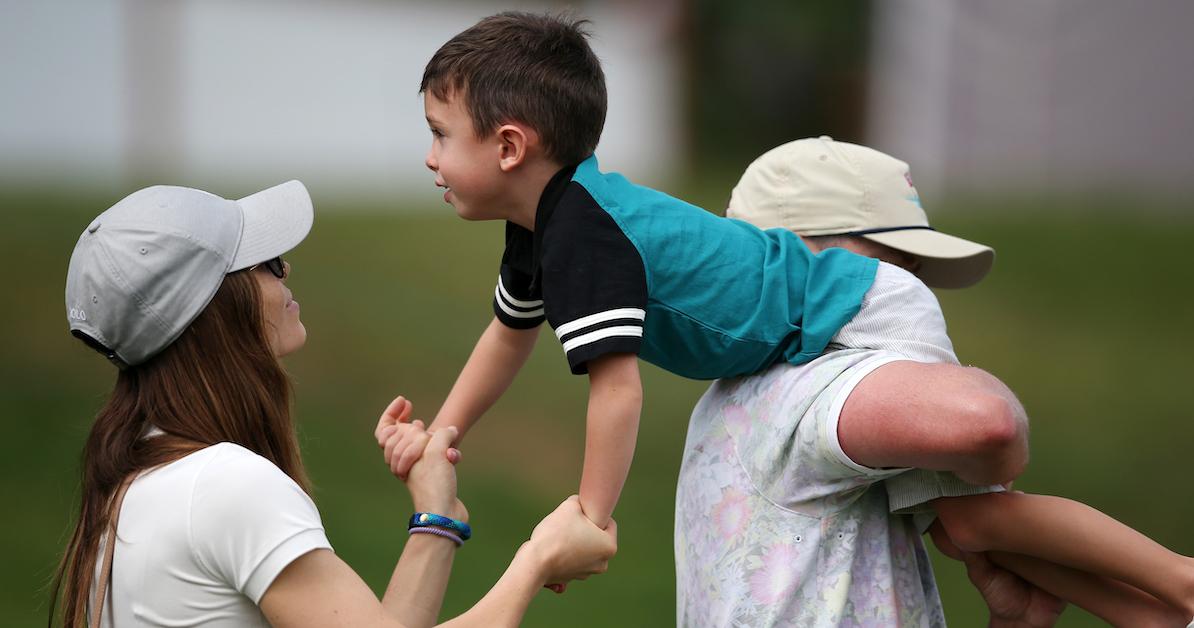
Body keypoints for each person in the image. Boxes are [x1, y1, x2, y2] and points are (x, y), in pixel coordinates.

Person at [392, 11, 889, 536]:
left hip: (857, 313)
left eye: (441, 135)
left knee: (966, 512)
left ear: (510, 148)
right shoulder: (539, 223)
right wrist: (442, 434)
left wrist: (590, 517)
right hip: (814, 328)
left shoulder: (585, 232)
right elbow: (508, 335)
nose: (430, 158)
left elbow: (617, 391)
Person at [675, 136, 1194, 626]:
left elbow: (971, 526)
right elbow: (985, 424)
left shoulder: (776, 392)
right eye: (893, 262)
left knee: (967, 524)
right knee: (974, 518)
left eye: (915, 269)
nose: (909, 287)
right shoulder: (803, 384)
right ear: (789, 255)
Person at [51, 181, 617, 628]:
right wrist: (536, 561)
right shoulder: (225, 485)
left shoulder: (143, 475)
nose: (286, 268)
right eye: (265, 263)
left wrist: (437, 520)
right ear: (214, 308)